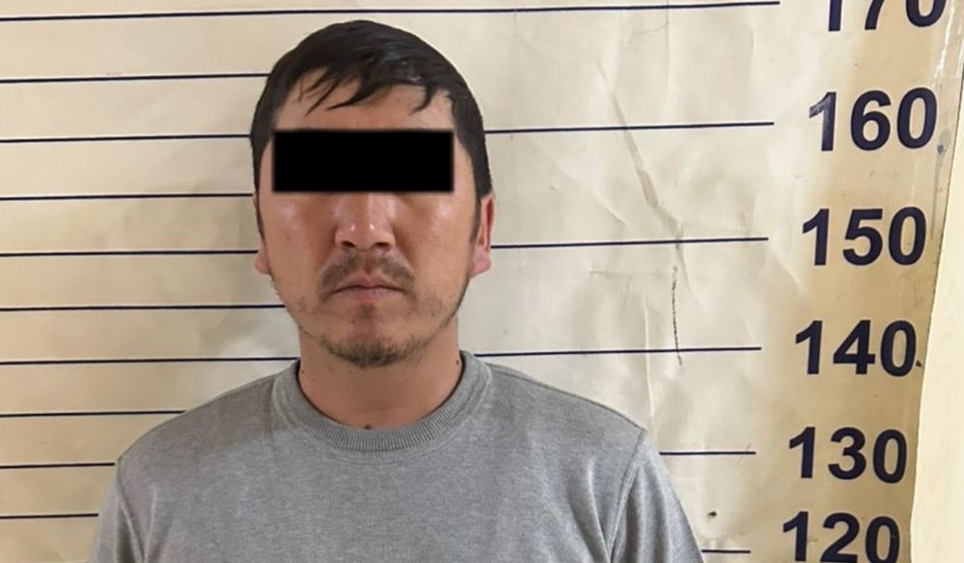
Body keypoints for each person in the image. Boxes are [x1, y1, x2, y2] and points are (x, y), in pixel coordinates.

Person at [89, 19, 703, 562]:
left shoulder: (606, 480)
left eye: (412, 178)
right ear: (262, 230)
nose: (364, 231)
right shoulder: (158, 491)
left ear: (481, 230)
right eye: (317, 180)